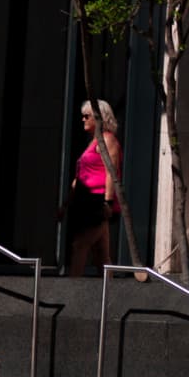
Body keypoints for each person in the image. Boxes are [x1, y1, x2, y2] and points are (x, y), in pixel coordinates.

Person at [65, 98, 122, 275]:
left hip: (97, 200)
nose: (83, 119)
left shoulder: (107, 141)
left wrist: (107, 202)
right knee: (101, 253)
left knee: (80, 245)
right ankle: (110, 292)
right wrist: (66, 204)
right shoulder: (94, 142)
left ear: (99, 117)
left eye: (86, 116)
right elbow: (80, 177)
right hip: (86, 200)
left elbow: (110, 173)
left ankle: (72, 289)